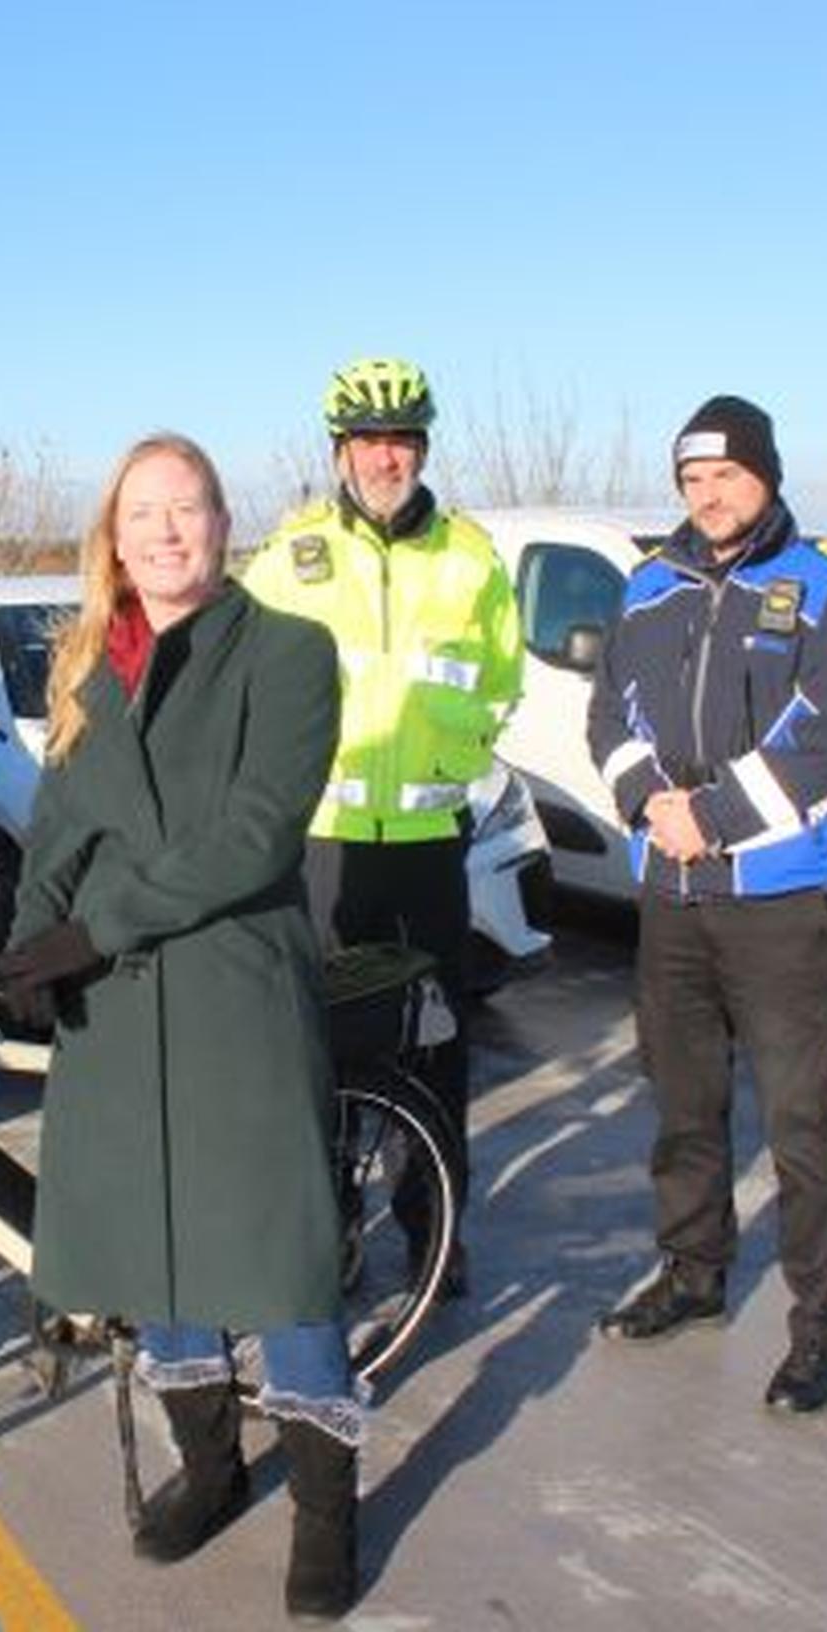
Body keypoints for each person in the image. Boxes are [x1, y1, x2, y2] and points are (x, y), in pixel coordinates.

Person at [0, 434, 361, 1621]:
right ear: (113, 536)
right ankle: (211, 1467)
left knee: (281, 1257)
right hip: (116, 1018)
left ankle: (325, 1512)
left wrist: (94, 931)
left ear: (220, 523)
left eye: (185, 508)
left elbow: (255, 836)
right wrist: (23, 945)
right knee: (155, 1258)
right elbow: (57, 834)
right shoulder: (92, 668)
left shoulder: (289, 654)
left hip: (232, 997)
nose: (163, 530)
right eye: (141, 513)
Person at [584, 394, 827, 1414]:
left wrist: (706, 816)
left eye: (725, 475)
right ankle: (693, 1274)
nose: (708, 496)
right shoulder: (646, 587)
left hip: (779, 903)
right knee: (683, 1109)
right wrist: (643, 802)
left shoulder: (826, 589)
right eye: (691, 480)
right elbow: (607, 716)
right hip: (669, 899)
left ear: (766, 474)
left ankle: (818, 1329)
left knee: (801, 1126)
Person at [239, 357, 522, 1296]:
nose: (385, 457)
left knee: (434, 1048)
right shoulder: (289, 556)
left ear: (422, 447)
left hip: (428, 852)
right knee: (314, 1054)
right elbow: (247, 688)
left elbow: (501, 684)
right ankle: (327, 1238)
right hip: (322, 851)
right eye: (368, 441)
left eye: (402, 439)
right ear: (339, 451)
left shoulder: (471, 557)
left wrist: (456, 755)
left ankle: (434, 1233)